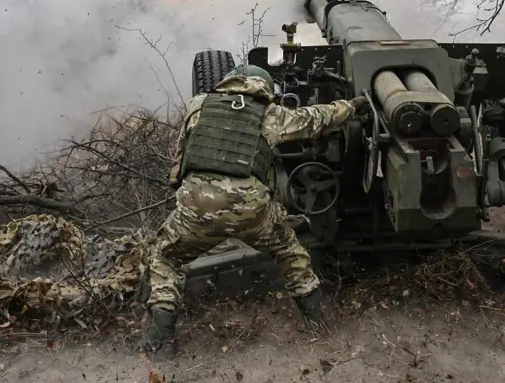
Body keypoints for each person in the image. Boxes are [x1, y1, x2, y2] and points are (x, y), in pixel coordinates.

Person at [135, 64, 368, 355]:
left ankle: (160, 340)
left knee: (165, 256)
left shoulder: (198, 105)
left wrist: (189, 203)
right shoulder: (269, 114)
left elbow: (179, 163)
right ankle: (318, 325)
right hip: (251, 210)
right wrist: (352, 105)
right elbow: (315, 120)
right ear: (264, 86)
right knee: (290, 252)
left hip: (196, 206)